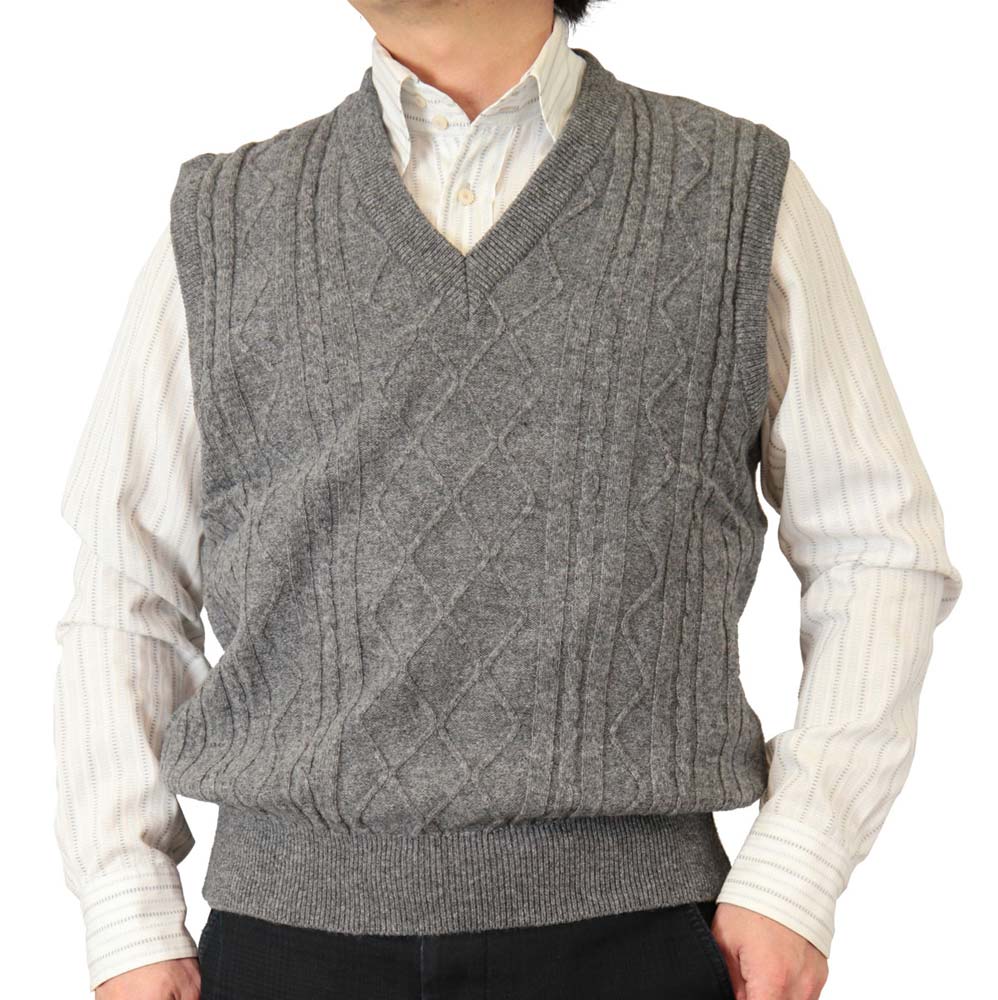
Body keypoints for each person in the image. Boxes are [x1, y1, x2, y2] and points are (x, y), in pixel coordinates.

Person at [52, 1, 963, 997]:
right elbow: (127, 580)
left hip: (633, 938)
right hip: (285, 944)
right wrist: (127, 909)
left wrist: (797, 866)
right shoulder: (227, 219)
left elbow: (877, 547)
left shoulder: (733, 193)